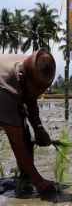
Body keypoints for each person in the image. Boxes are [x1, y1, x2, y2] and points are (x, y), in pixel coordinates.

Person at [0, 48, 57, 193]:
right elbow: (16, 141)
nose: (41, 92)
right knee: (18, 135)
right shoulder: (6, 90)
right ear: (22, 77)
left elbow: (30, 100)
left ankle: (25, 176)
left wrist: (38, 128)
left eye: (44, 88)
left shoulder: (34, 65)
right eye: (38, 88)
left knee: (23, 129)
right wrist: (39, 181)